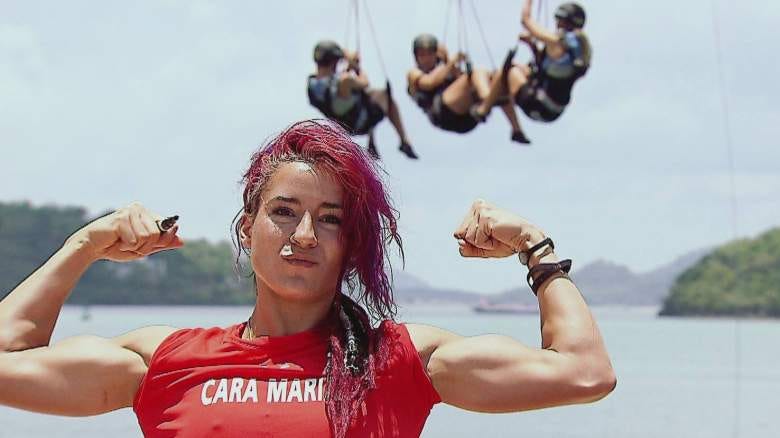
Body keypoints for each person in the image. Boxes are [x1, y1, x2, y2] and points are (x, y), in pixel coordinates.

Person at [0, 120, 615, 437]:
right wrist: (82, 246)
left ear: (353, 243)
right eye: (283, 212)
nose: (302, 237)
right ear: (246, 230)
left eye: (329, 219)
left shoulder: (398, 362)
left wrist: (533, 247)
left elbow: (585, 373)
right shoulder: (165, 361)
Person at [474, 0, 592, 129]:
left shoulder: (557, 42)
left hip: (539, 104)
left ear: (564, 21)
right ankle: (500, 99)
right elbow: (546, 70)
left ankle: (483, 109)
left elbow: (525, 20)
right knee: (523, 69)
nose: (556, 24)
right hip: (554, 110)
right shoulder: (578, 49)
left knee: (509, 69)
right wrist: (532, 45)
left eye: (558, 20)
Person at [407, 34, 532, 144]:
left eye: (430, 54)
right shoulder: (414, 73)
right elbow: (430, 83)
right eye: (422, 55)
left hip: (467, 118)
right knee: (477, 73)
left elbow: (460, 79)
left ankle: (516, 130)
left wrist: (447, 60)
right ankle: (487, 100)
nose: (426, 59)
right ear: (416, 57)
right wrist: (451, 61)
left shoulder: (444, 68)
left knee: (499, 80)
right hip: (442, 113)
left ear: (436, 55)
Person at [308, 40, 418, 160]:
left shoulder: (313, 85)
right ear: (334, 62)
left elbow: (335, 89)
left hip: (345, 119)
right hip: (359, 121)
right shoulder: (345, 81)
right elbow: (364, 82)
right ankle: (403, 139)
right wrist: (356, 67)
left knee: (367, 96)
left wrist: (347, 60)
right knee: (385, 97)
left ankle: (373, 140)